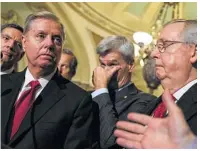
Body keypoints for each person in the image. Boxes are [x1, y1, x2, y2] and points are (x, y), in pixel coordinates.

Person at [1, 11, 94, 149]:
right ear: (24, 42)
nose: (49, 44)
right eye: (41, 36)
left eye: (57, 39)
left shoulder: (78, 101)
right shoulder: (3, 83)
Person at [114, 19, 197, 148]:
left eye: (163, 45)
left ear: (193, 52)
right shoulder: (154, 106)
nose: (153, 54)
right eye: (156, 47)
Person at [92, 35, 157, 148]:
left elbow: (111, 143)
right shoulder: (89, 96)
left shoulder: (145, 101)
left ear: (131, 66)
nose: (105, 71)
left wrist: (101, 90)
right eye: (102, 64)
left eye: (112, 64)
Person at [114, 89, 197, 149]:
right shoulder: (156, 103)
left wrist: (189, 146)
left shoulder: (143, 99)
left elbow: (109, 142)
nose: (157, 64)